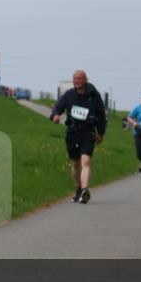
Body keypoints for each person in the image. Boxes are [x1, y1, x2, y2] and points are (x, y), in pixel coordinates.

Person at [49, 70, 107, 204]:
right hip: (72, 134)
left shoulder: (94, 96)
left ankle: (85, 190)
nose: (77, 81)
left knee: (85, 161)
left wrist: (101, 132)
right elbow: (58, 107)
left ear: (85, 79)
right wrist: (55, 116)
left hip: (88, 133)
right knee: (75, 164)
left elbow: (101, 115)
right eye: (75, 79)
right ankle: (78, 189)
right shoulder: (69, 95)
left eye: (80, 79)